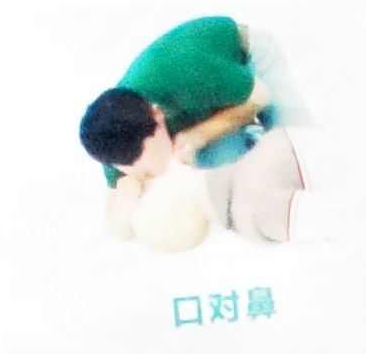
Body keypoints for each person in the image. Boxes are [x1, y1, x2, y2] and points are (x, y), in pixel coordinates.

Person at [83, 16, 307, 247]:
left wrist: (199, 135)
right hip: (201, 102)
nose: (156, 171)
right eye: (144, 171)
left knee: (299, 148)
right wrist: (125, 199)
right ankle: (246, 138)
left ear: (157, 115)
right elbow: (117, 226)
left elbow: (260, 96)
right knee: (226, 169)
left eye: (155, 158)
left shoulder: (190, 73)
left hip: (243, 63)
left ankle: (253, 135)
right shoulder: (113, 138)